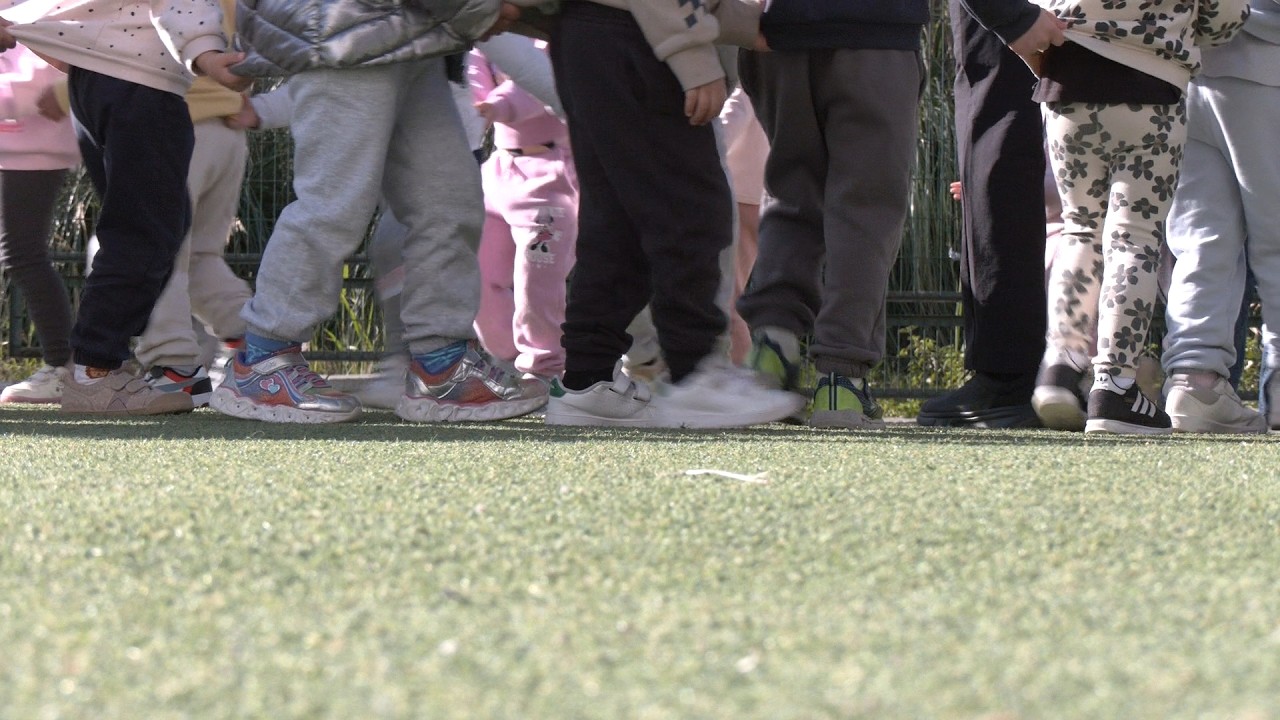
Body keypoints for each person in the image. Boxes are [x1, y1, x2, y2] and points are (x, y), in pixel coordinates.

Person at [212, 0, 547, 425]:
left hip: (408, 33)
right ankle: (262, 360)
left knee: (447, 202)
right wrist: (479, 9)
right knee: (333, 206)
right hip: (343, 28)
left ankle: (440, 367)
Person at [541, 0, 803, 429]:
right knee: (691, 210)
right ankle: (695, 373)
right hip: (641, 36)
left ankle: (588, 380)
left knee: (617, 222)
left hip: (595, 30)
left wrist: (764, 23)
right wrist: (692, 54)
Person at [3, 0, 251, 416]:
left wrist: (32, 29)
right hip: (140, 83)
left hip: (109, 81)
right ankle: (97, 372)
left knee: (156, 231)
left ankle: (103, 367)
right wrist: (208, 54)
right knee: (147, 233)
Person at [1027, 0, 1250, 435]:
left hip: (1067, 78)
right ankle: (1115, 386)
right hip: (1153, 86)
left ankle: (1061, 364)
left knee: (1079, 228)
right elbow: (1226, 16)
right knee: (1135, 237)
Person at [736, 1, 928, 430]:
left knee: (791, 192)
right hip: (875, 33)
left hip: (777, 33)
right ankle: (841, 377)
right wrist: (1013, 18)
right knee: (866, 211)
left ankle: (773, 345)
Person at [916, 0, 1066, 429]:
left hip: (1012, 26)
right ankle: (1076, 372)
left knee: (998, 149)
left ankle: (1010, 372)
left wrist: (1011, 16)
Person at [1160, 0, 1278, 434]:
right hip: (1267, 53)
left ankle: (1196, 380)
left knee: (1199, 239)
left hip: (1182, 62)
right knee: (1276, 239)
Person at [469, 43, 577, 382]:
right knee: (474, 271)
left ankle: (544, 367)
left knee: (538, 277)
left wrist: (494, 105)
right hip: (500, 169)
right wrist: (476, 100)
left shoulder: (551, 28)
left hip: (553, 175)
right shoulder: (490, 31)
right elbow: (473, 70)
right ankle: (509, 357)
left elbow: (541, 82)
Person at [0, 44, 78, 404]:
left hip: (31, 142)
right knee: (22, 255)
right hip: (22, 141)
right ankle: (63, 365)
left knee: (22, 255)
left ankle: (63, 366)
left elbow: (49, 74)